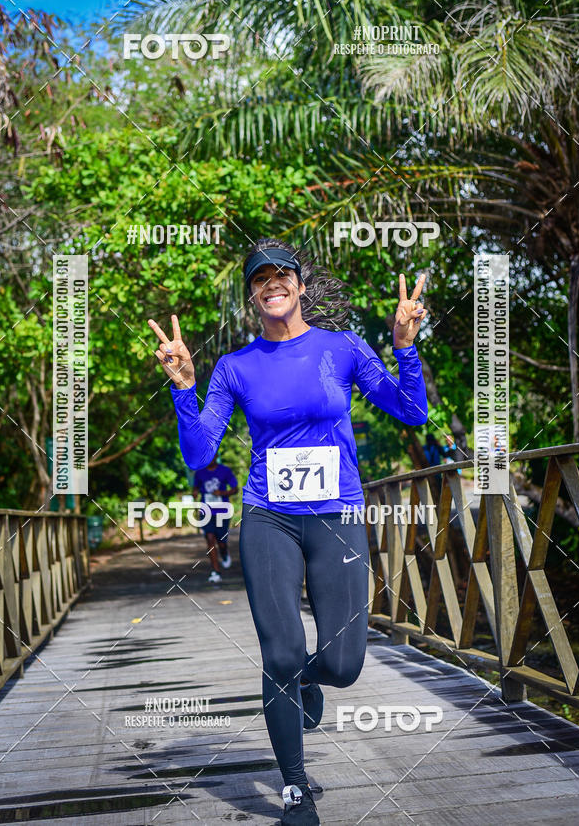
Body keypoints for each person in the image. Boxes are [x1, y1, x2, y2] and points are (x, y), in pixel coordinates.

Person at [148, 239, 428, 825]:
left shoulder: (342, 348)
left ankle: (306, 680)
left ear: (299, 285)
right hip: (268, 518)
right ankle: (295, 787)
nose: (271, 284)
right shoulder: (235, 367)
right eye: (260, 279)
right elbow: (199, 454)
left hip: (338, 514)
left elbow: (411, 411)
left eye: (281, 275)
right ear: (253, 295)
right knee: (280, 653)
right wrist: (183, 388)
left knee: (344, 664)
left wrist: (405, 348)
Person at [192, 454, 238, 583]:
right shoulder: (199, 472)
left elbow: (235, 489)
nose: (210, 458)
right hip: (206, 511)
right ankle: (215, 571)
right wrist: (194, 492)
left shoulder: (225, 471)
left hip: (222, 510)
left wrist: (223, 493)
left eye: (212, 456)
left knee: (221, 541)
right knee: (209, 538)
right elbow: (195, 488)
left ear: (216, 456)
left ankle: (224, 553)